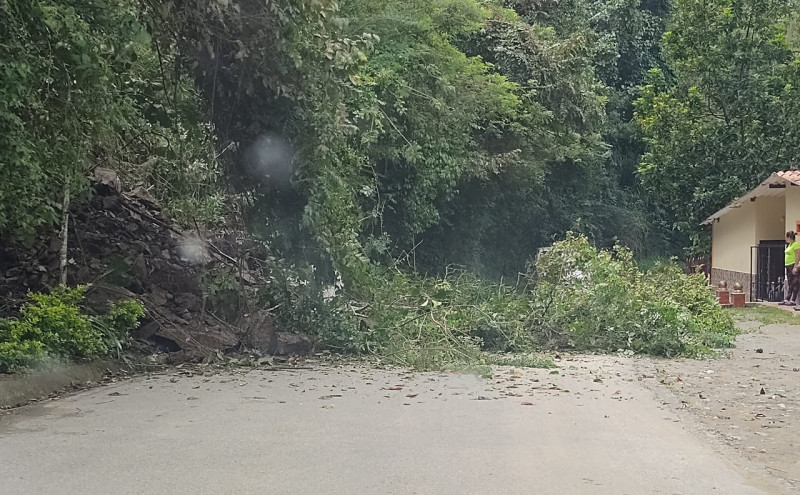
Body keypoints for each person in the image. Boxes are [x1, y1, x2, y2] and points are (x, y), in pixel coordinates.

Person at [782, 231, 800, 305]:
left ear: (790, 237)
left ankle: (793, 300)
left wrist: (796, 266)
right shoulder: (789, 245)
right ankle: (787, 299)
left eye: (786, 237)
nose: (786, 239)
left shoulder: (796, 244)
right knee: (790, 282)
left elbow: (798, 255)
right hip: (788, 265)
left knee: (795, 282)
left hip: (793, 264)